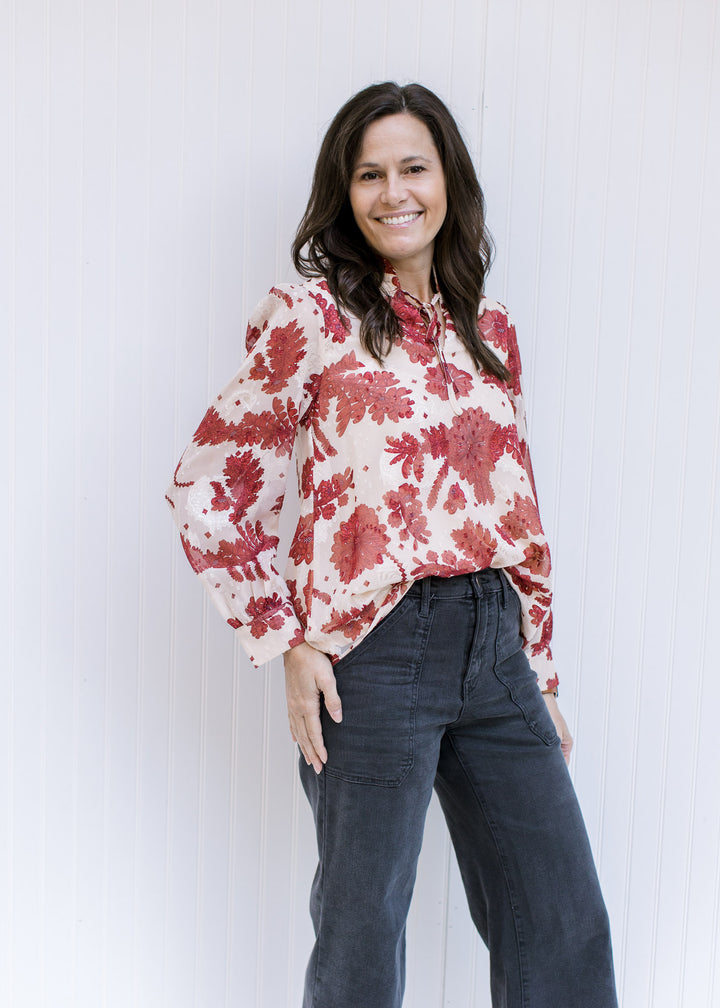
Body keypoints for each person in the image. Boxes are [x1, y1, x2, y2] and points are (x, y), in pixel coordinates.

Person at [167, 82, 618, 1008]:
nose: (392, 191)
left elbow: (515, 510)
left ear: (448, 178)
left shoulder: (490, 330)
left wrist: (539, 671)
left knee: (562, 917)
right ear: (345, 192)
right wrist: (286, 637)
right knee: (363, 930)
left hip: (494, 647)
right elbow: (209, 485)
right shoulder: (313, 319)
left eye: (413, 166)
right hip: (372, 652)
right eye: (368, 174)